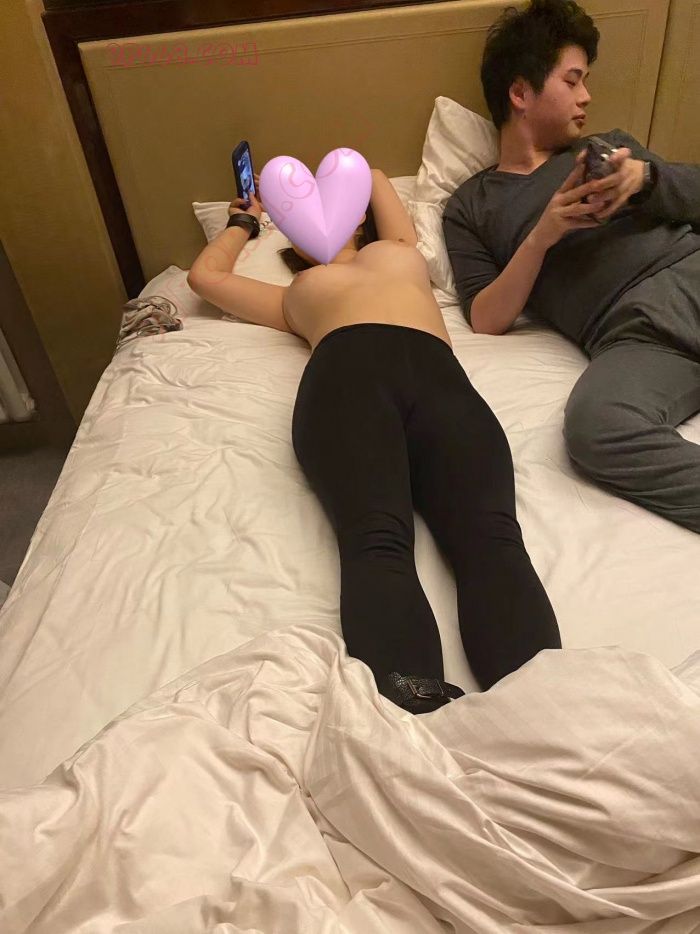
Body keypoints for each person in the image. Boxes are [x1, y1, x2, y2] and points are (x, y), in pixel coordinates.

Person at [187, 166, 562, 715]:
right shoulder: (294, 294)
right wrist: (245, 220)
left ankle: (542, 710)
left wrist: (329, 178)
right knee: (376, 541)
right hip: (344, 383)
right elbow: (205, 279)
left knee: (492, 538)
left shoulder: (399, 249)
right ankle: (413, 711)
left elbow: (371, 173)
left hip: (440, 380)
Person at [443, 0, 700, 534]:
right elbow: (485, 318)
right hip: (635, 337)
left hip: (690, 275)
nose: (587, 97)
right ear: (520, 93)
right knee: (595, 427)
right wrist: (543, 235)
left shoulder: (611, 150)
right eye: (573, 80)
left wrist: (645, 181)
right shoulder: (471, 205)